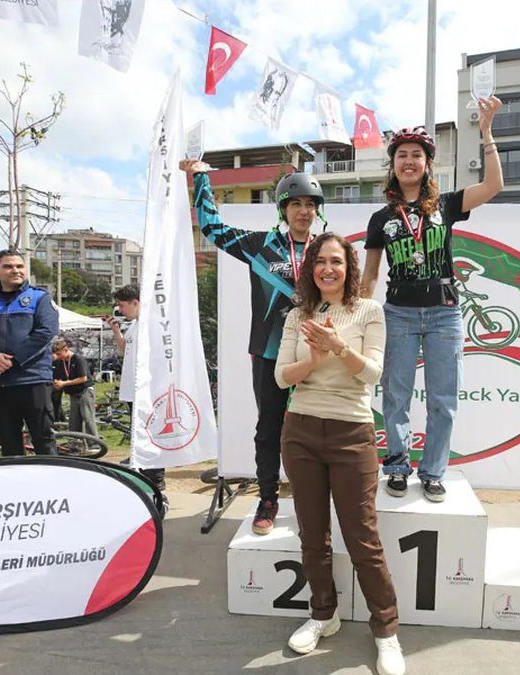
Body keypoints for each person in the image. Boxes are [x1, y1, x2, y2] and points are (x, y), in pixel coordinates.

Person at [360, 99, 506, 504]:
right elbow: (371, 274)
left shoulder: (447, 206)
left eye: (416, 155)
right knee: (396, 396)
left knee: (444, 399)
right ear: (393, 165)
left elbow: (493, 186)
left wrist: (487, 133)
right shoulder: (380, 219)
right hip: (399, 315)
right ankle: (397, 465)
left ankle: (434, 472)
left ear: (427, 164)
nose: (409, 161)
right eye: (402, 155)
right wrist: (358, 316)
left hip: (444, 314)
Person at [274, 232, 404, 675]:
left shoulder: (369, 311)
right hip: (301, 432)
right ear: (311, 270)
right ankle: (322, 616)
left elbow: (371, 373)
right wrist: (312, 357)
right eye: (320, 262)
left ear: (349, 268)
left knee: (363, 539)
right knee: (313, 536)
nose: (328, 269)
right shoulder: (298, 314)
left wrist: (337, 346)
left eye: (337, 261)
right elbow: (281, 378)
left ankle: (386, 632)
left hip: (352, 433)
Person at [179, 158, 328, 534]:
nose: (304, 211)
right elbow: (212, 228)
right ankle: (268, 497)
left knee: (317, 427)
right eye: (296, 204)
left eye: (310, 205)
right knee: (269, 429)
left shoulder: (326, 249)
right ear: (283, 209)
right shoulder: (260, 244)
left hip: (314, 352)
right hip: (269, 352)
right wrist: (200, 180)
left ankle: (315, 500)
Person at [0, 250, 60, 457]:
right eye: (8, 266)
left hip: (33, 379)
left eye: (19, 266)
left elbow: (45, 333)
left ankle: (52, 483)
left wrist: (13, 360)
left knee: (43, 438)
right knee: (7, 440)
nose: (15, 270)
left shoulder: (39, 297)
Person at [106, 285, 166, 494]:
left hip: (145, 390)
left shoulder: (152, 324)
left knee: (150, 434)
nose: (120, 310)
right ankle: (143, 472)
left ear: (136, 302)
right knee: (138, 434)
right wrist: (116, 331)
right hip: (132, 390)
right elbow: (125, 349)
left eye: (122, 306)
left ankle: (156, 479)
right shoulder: (134, 325)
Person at [53, 337, 98, 436]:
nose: (58, 356)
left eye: (59, 354)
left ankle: (94, 444)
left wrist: (64, 383)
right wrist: (57, 383)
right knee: (74, 420)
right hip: (73, 393)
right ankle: (75, 443)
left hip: (84, 391)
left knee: (88, 417)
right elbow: (58, 377)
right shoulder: (60, 362)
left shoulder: (78, 359)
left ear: (65, 349)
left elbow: (83, 378)